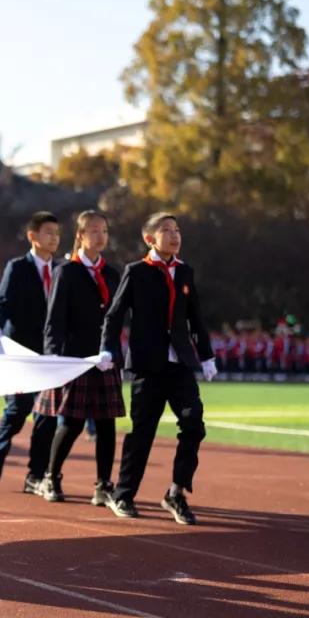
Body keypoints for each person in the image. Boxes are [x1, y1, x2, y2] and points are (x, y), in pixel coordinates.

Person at [100, 212, 216, 525]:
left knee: (194, 426)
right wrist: (108, 349)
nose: (175, 235)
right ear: (150, 239)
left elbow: (196, 319)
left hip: (180, 365)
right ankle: (123, 494)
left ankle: (176, 493)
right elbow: (115, 314)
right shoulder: (136, 271)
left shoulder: (185, 272)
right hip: (147, 367)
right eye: (167, 230)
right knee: (142, 433)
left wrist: (206, 356)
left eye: (177, 230)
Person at [33, 211, 124, 505]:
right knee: (71, 423)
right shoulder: (66, 272)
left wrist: (113, 351)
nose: (101, 236)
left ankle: (103, 485)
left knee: (107, 424)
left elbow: (118, 319)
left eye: (104, 231)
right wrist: (54, 361)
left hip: (105, 360)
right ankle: (51, 477)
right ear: (81, 236)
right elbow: (54, 321)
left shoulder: (113, 274)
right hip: (74, 360)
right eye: (94, 231)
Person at [0, 212, 61, 492]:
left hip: (50, 355)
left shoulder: (63, 269)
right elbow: (1, 305)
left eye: (57, 233)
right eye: (48, 232)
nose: (54, 238)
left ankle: (35, 475)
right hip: (19, 351)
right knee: (18, 409)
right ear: (33, 236)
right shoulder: (17, 268)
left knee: (46, 415)